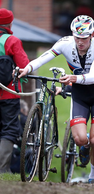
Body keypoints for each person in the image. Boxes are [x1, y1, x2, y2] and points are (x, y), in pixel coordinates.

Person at [18, 15, 94, 183]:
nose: (80, 42)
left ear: (91, 35)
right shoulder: (64, 43)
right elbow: (43, 57)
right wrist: (27, 69)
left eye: (84, 38)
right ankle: (85, 146)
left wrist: (74, 79)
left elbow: (93, 75)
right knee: (80, 139)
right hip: (80, 94)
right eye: (77, 37)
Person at [0, 8, 29, 173]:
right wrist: (23, 80)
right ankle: (2, 169)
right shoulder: (12, 41)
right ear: (10, 23)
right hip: (8, 93)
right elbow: (25, 67)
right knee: (9, 129)